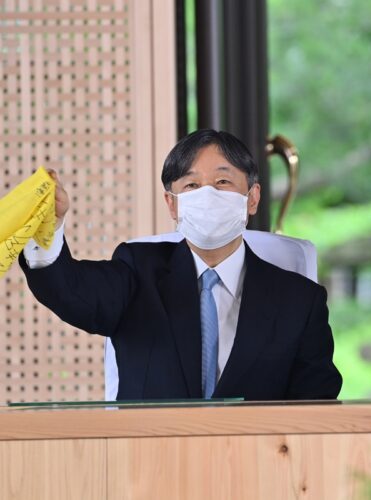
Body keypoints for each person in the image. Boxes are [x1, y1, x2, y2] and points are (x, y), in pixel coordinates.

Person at [20, 129, 342, 401]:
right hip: (149, 467)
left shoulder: (300, 301)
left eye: (222, 182)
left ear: (253, 198)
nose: (207, 195)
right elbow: (73, 292)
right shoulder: (138, 272)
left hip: (257, 468)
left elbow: (317, 409)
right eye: (191, 186)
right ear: (171, 204)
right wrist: (47, 233)